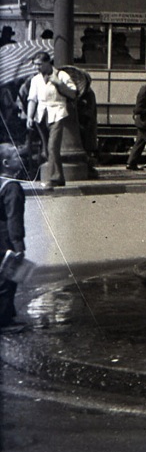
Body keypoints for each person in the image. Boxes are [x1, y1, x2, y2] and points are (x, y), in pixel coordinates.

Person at [25, 53, 77, 188]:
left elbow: (72, 93)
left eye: (40, 64)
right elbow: (32, 99)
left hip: (57, 112)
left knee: (53, 146)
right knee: (46, 149)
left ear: (48, 63)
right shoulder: (35, 79)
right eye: (35, 64)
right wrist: (30, 117)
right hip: (41, 115)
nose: (37, 67)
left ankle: (53, 178)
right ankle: (59, 177)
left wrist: (59, 84)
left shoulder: (61, 75)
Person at [0, 174, 26, 328]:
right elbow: (14, 218)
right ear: (6, 163)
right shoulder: (11, 187)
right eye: (16, 156)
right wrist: (18, 245)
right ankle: (4, 320)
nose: (21, 158)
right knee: (7, 280)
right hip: (5, 240)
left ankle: (9, 313)